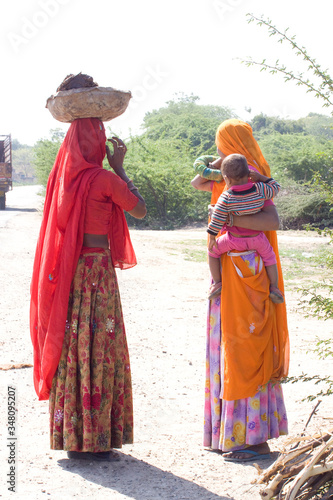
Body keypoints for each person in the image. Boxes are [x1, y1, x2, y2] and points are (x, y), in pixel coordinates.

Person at [30, 117, 146, 462]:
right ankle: (98, 437)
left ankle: (73, 436)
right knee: (101, 346)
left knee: (74, 345)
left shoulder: (63, 180)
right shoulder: (105, 179)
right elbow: (138, 210)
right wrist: (120, 168)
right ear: (96, 142)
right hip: (97, 270)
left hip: (72, 272)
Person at [191, 118, 289, 462]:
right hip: (231, 273)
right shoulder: (232, 177)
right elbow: (196, 181)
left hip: (248, 273)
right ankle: (228, 432)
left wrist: (229, 220)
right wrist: (219, 165)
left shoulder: (253, 175)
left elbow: (272, 222)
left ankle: (250, 435)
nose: (218, 151)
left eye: (222, 145)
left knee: (246, 345)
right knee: (229, 343)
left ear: (232, 143)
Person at [207, 153, 284, 304]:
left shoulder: (226, 197)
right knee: (270, 258)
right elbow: (276, 187)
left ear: (227, 179)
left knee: (212, 253)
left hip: (234, 240)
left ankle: (217, 283)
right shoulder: (260, 189)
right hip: (257, 240)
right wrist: (261, 177)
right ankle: (274, 288)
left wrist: (211, 237)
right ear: (249, 174)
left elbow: (217, 219)